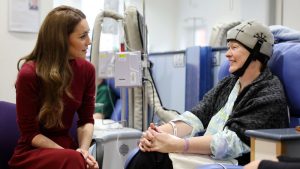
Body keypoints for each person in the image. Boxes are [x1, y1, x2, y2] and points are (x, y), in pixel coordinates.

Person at [126, 20, 289, 169]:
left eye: (234, 47)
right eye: (228, 47)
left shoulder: (269, 94)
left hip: (233, 161)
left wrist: (179, 144)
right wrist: (159, 134)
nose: (227, 54)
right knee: (147, 153)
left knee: (152, 159)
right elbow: (196, 116)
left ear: (255, 52)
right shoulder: (228, 84)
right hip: (209, 157)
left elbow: (233, 143)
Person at [9, 5, 99, 169]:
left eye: (88, 34)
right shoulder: (29, 74)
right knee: (76, 161)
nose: (89, 41)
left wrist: (84, 151)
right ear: (61, 40)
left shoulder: (87, 70)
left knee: (84, 162)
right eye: (82, 36)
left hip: (69, 151)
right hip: (33, 152)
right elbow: (30, 134)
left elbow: (86, 120)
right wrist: (72, 155)